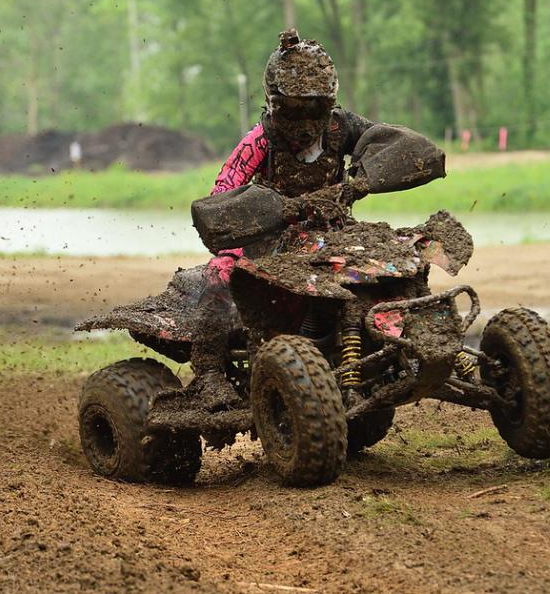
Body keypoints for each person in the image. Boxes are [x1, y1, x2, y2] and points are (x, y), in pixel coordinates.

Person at [186, 29, 439, 411]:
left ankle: (421, 336)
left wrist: (363, 181)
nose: (305, 122)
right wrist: (281, 212)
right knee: (220, 275)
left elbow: (404, 144)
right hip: (270, 242)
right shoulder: (260, 140)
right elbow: (221, 198)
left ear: (329, 103)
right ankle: (208, 376)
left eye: (314, 108)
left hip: (333, 236)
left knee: (402, 258)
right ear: (274, 103)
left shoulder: (343, 128)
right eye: (294, 109)